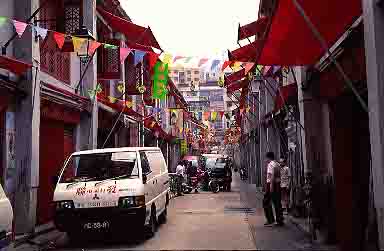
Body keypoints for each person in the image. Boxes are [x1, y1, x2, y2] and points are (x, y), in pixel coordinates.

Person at [263, 151, 284, 226]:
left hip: (272, 184)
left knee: (266, 202)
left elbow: (272, 176)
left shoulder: (270, 164)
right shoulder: (277, 164)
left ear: (269, 158)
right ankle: (280, 220)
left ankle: (270, 220)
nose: (266, 160)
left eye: (266, 158)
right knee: (277, 202)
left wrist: (271, 186)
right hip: (277, 184)